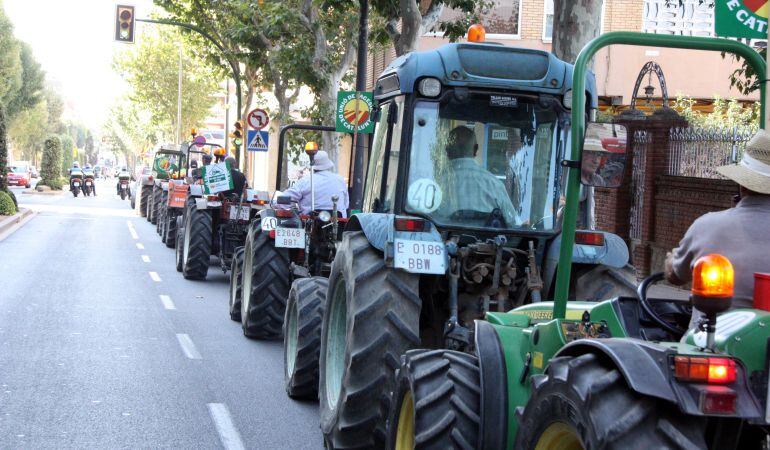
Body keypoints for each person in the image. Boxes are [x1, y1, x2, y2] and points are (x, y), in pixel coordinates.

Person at [666, 129, 770, 326]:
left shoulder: (707, 225)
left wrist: (671, 261)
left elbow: (675, 275)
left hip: (712, 348)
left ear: (742, 184)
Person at [436, 126, 519, 227]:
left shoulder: (436, 184)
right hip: (487, 242)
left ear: (447, 151)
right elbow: (512, 223)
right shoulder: (494, 184)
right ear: (475, 149)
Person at [282, 150, 350, 217]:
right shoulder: (340, 180)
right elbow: (346, 204)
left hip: (310, 224)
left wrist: (293, 209)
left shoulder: (305, 181)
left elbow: (284, 200)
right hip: (339, 224)